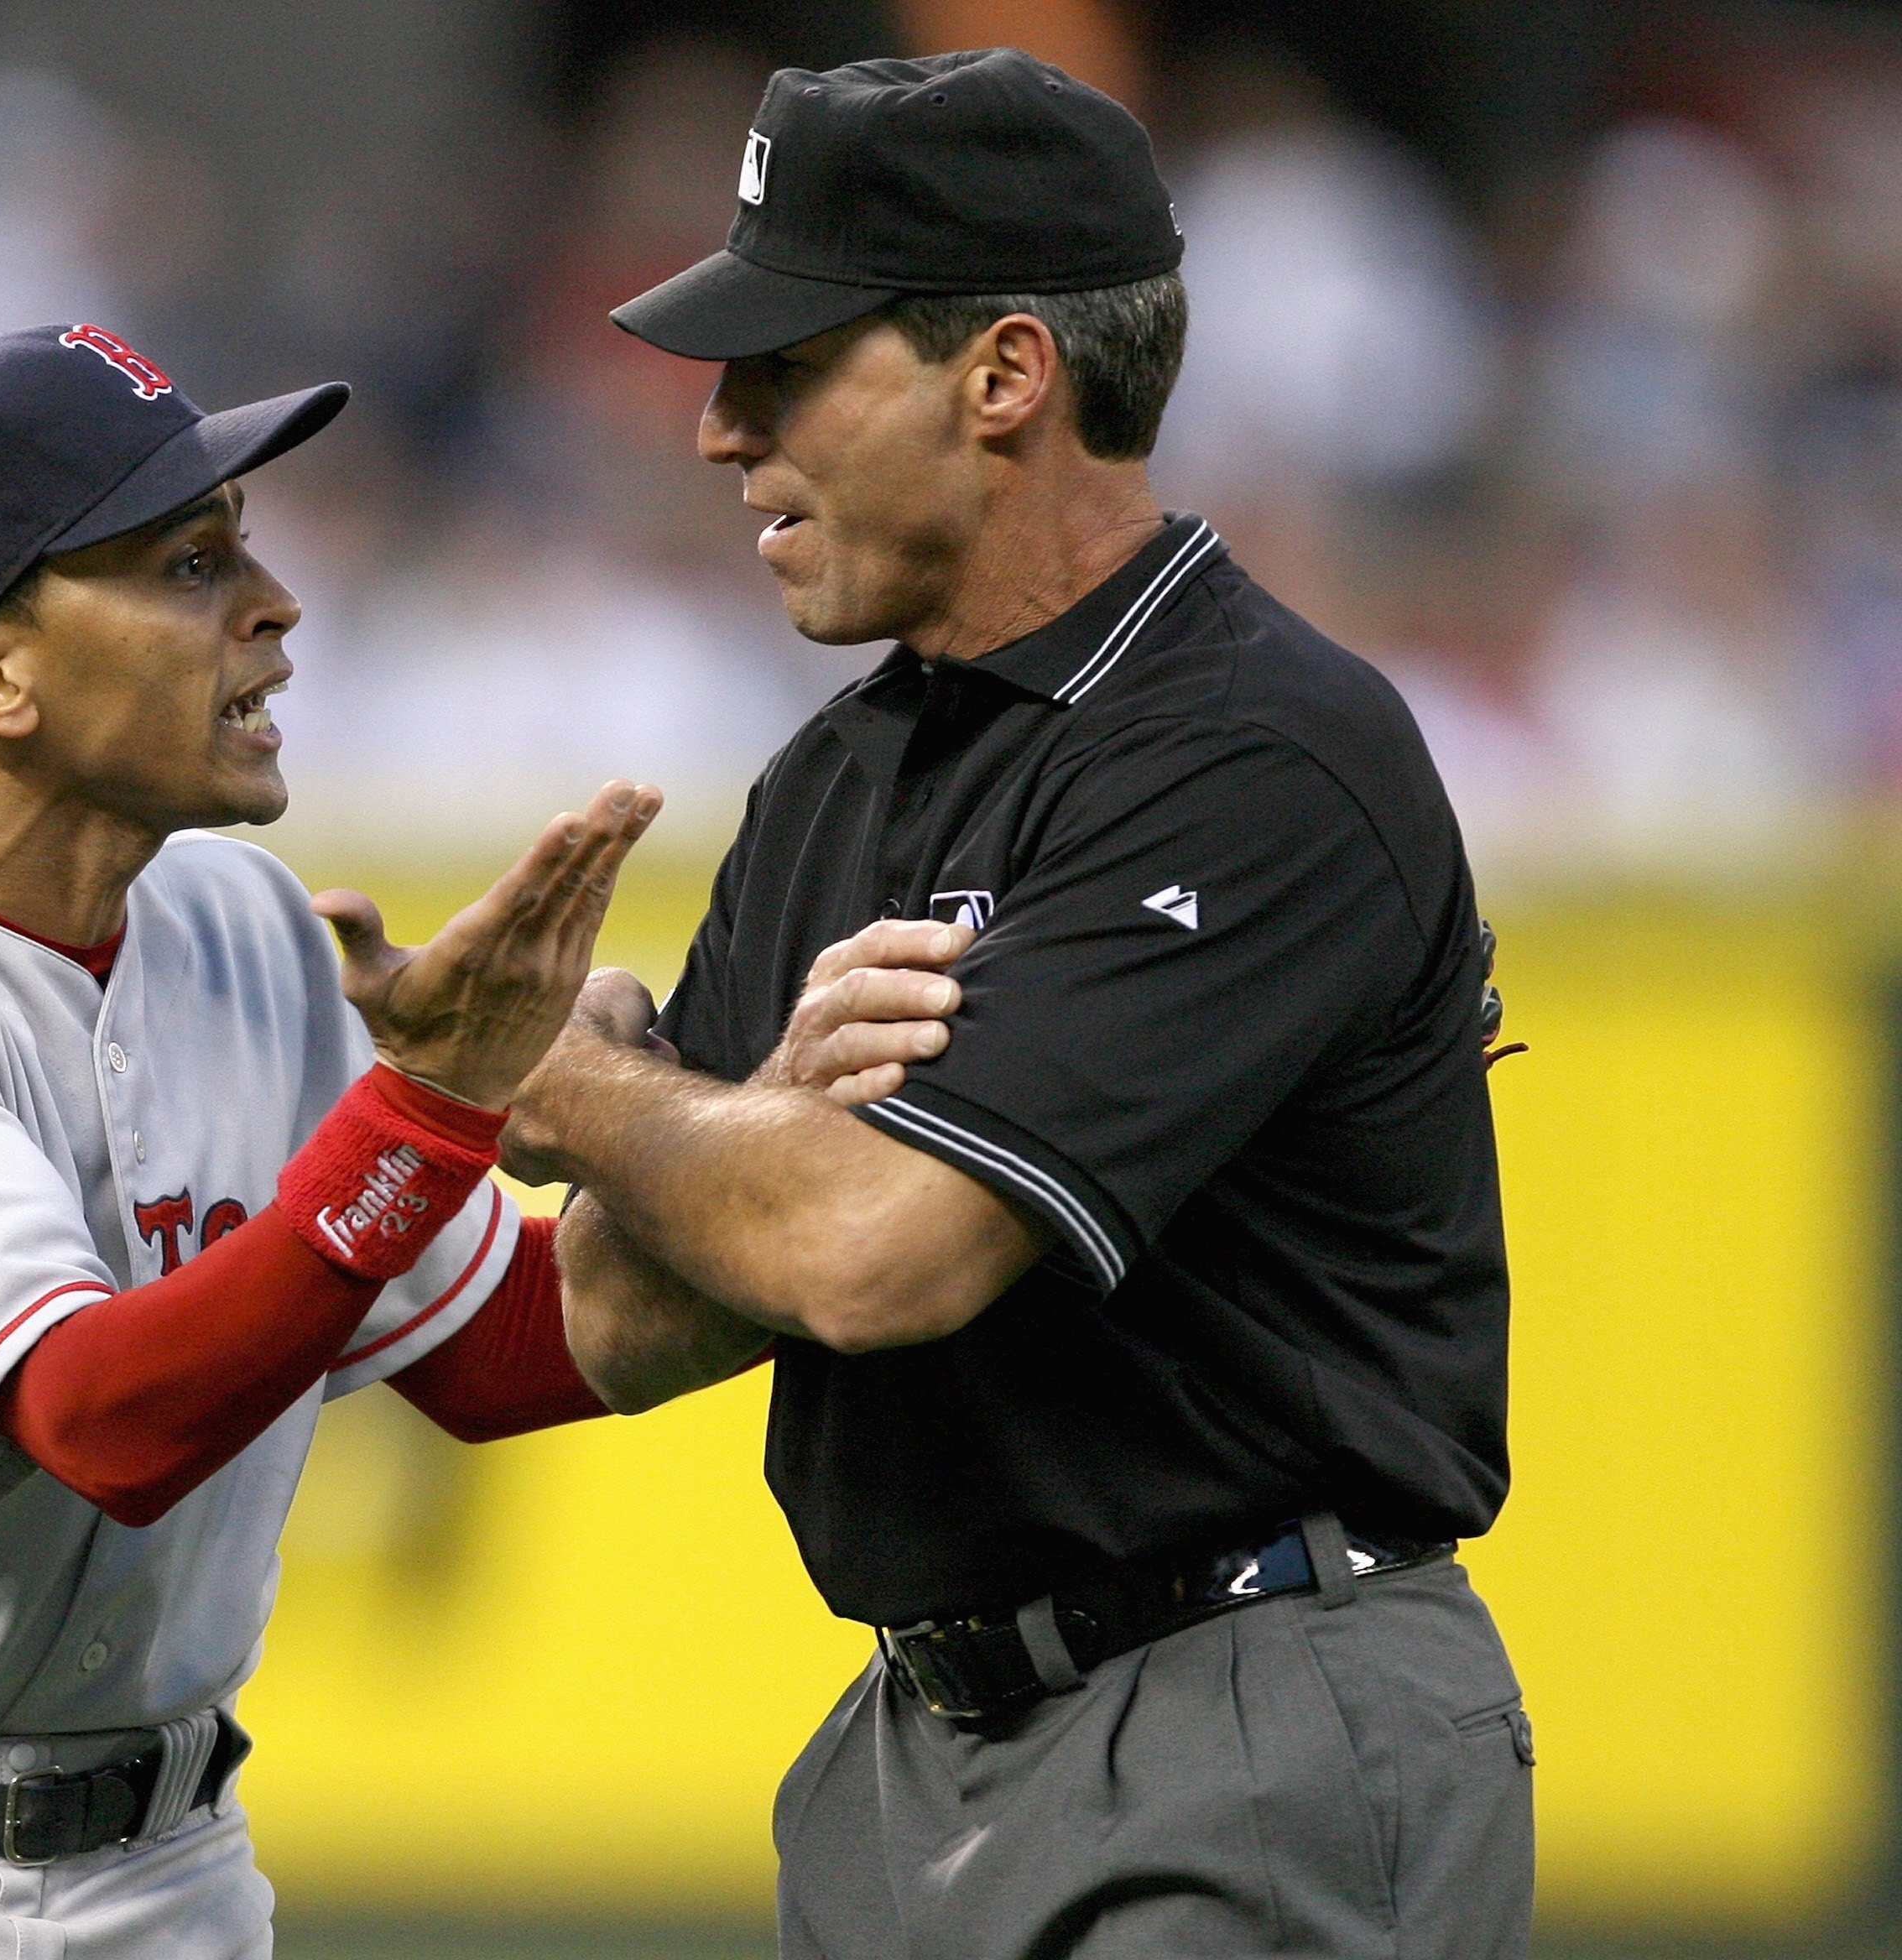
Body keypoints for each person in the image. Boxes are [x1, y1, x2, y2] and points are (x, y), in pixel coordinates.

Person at [505, 50, 1530, 1959]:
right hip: (916, 1750)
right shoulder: (835, 778)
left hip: (1248, 1709)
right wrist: (746, 1133)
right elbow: (618, 1317)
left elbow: (881, 1256)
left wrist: (567, 1091)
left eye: (789, 361)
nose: (724, 430)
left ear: (1003, 377)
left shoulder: (1255, 751)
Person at [0, 323, 675, 1959]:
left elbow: (509, 1348)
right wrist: (433, 1108)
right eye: (188, 563)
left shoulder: (235, 923)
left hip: (167, 1873)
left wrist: (816, 1152)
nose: (274, 607)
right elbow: (96, 1420)